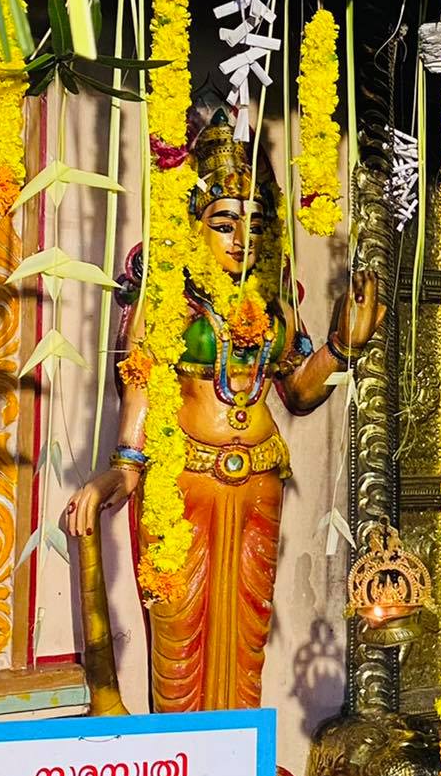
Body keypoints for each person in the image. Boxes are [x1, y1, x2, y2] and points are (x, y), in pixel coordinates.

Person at [67, 111, 382, 708]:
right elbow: (141, 385)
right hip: (184, 480)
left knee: (247, 629)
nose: (243, 240)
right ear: (194, 226)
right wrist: (123, 468)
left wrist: (343, 345)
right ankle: (182, 773)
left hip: (258, 479)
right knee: (179, 628)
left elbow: (298, 391)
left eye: (256, 224)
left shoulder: (275, 294)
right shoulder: (169, 295)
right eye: (224, 223)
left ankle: (237, 774)